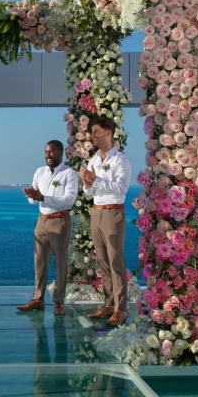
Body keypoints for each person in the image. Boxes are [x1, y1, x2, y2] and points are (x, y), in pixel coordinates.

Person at [79, 117, 131, 326]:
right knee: (103, 261)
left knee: (116, 261)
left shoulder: (120, 160)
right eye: (92, 131)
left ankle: (121, 308)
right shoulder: (93, 160)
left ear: (109, 132)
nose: (94, 135)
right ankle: (109, 304)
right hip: (97, 212)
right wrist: (87, 182)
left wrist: (96, 180)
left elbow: (121, 189)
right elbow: (89, 192)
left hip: (113, 213)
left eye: (97, 131)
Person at [19, 140, 78, 315]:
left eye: (51, 152)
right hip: (41, 221)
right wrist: (31, 195)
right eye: (46, 152)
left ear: (60, 153)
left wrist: (42, 197)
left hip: (59, 221)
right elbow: (33, 198)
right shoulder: (40, 172)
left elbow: (69, 200)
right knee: (39, 262)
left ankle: (59, 302)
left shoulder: (69, 174)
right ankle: (38, 299)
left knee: (60, 262)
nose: (48, 155)